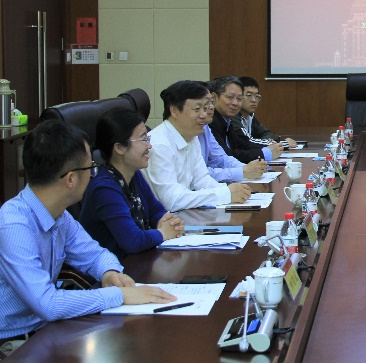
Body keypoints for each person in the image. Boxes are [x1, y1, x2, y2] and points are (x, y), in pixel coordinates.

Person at [0, 121, 176, 344]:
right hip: (14, 343)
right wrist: (119, 295)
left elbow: (94, 254)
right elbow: (48, 304)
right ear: (70, 179)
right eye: (90, 168)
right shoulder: (14, 225)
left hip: (47, 330)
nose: (94, 174)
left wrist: (110, 273)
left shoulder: (59, 215)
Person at [79, 109, 185, 259]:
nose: (150, 146)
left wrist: (171, 223)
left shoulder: (133, 174)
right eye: (143, 139)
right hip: (115, 269)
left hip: (138, 261)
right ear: (119, 148)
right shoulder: (104, 189)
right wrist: (163, 233)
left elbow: (156, 211)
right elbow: (133, 241)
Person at [143, 80, 251, 212]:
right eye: (197, 109)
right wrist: (226, 194)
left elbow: (201, 180)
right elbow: (172, 201)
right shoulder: (159, 145)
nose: (204, 115)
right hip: (163, 219)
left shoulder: (191, 136)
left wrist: (230, 190)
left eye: (205, 109)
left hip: (184, 215)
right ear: (174, 110)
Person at [196, 82, 268, 183]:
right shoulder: (211, 123)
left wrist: (246, 168)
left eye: (211, 102)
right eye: (199, 107)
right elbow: (198, 175)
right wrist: (242, 171)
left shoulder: (206, 126)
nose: (211, 107)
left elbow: (220, 158)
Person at [208, 76, 283, 163]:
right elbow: (225, 156)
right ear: (214, 97)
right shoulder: (211, 121)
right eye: (230, 97)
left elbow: (242, 145)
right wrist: (265, 153)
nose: (235, 103)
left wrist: (270, 149)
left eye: (239, 99)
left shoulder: (227, 120)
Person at [232, 76, 297, 149]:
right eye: (249, 95)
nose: (254, 100)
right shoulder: (232, 116)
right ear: (239, 97)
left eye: (257, 96)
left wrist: (267, 142)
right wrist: (283, 144)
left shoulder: (249, 116)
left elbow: (266, 133)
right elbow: (247, 141)